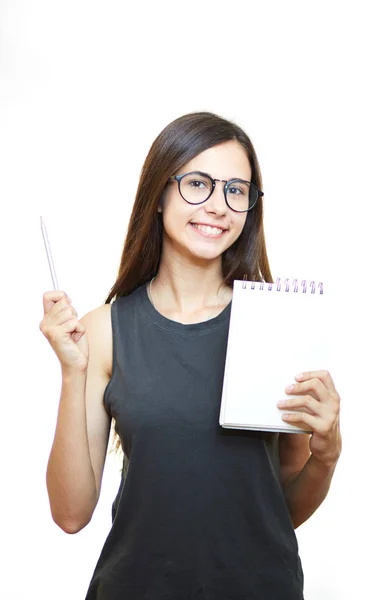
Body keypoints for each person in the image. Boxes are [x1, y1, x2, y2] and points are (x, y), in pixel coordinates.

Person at [40, 111, 342, 600]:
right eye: (198, 183)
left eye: (236, 190)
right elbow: (71, 514)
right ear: (159, 194)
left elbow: (281, 510)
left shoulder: (278, 322)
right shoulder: (105, 330)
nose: (219, 206)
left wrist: (326, 454)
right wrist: (73, 373)